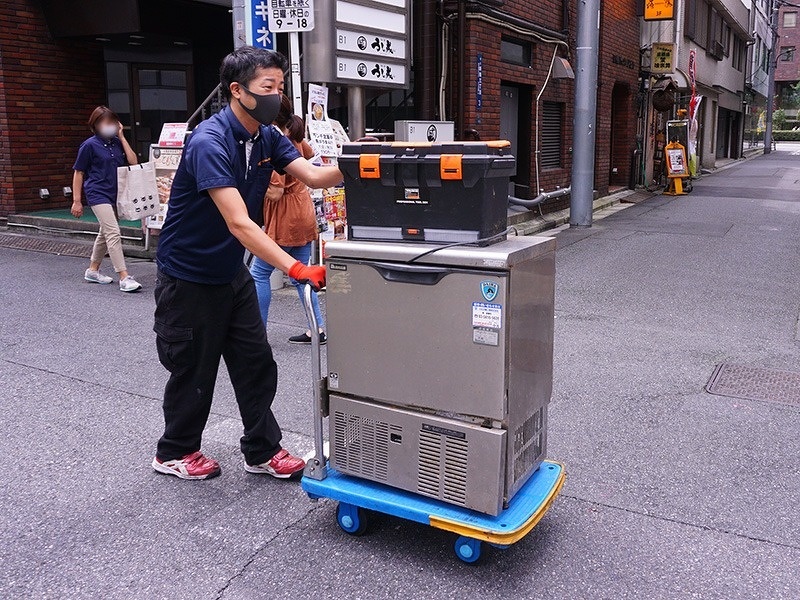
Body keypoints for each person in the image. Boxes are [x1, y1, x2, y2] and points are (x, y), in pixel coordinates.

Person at [151, 46, 342, 481]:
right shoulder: (209, 141)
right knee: (194, 369)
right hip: (188, 275)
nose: (277, 95)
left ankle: (262, 450)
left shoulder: (267, 136)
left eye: (280, 86)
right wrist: (296, 269)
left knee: (255, 362)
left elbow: (314, 175)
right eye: (268, 86)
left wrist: (362, 162)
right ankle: (175, 451)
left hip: (229, 272)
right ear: (237, 90)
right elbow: (239, 223)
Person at [250, 109, 326, 345]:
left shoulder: (279, 149)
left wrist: (252, 182)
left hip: (285, 217)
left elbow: (275, 193)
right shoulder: (298, 141)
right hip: (303, 211)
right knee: (302, 275)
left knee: (259, 273)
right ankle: (317, 329)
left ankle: (257, 334)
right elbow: (311, 156)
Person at [71, 106, 142, 292]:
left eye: (112, 122)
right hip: (97, 192)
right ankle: (124, 277)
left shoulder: (116, 143)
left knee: (105, 232)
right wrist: (77, 200)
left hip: (114, 193)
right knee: (113, 232)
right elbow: (79, 172)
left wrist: (122, 137)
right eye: (104, 123)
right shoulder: (88, 145)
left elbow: (133, 161)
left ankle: (93, 270)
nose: (109, 126)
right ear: (95, 125)